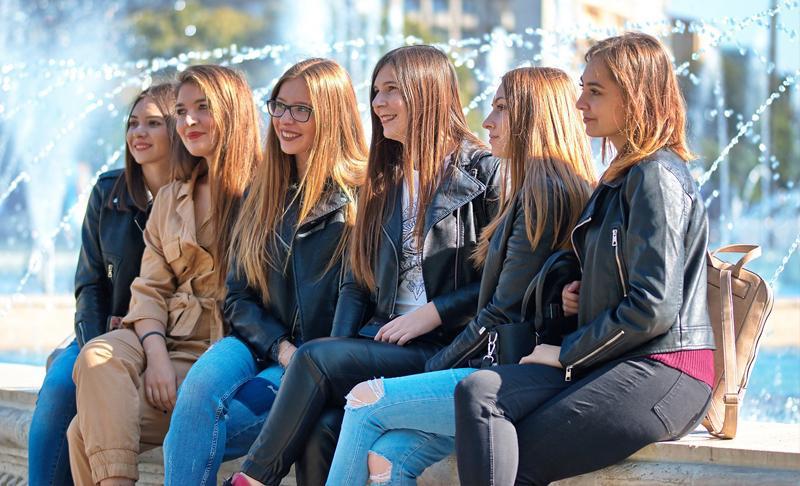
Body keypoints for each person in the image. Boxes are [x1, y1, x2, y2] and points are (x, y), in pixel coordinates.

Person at [225, 44, 502, 486]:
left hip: (454, 346)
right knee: (318, 425)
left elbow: (500, 286)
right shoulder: (386, 178)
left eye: (391, 90)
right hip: (388, 342)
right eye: (375, 91)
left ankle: (252, 479)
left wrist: (435, 313)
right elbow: (357, 285)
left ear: (426, 92)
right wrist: (338, 354)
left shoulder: (484, 173)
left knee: (314, 359)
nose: (377, 104)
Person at [453, 32, 715, 486]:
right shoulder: (619, 178)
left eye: (595, 92)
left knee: (521, 453)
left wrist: (567, 351)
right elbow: (625, 278)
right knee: (477, 391)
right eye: (582, 88)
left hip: (666, 368)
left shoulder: (655, 176)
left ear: (635, 97)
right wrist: (581, 294)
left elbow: (653, 308)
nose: (580, 103)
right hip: (618, 361)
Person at [325, 66, 596, 485]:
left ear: (536, 117)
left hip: (511, 375)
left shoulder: (542, 193)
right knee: (387, 458)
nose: (487, 121)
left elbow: (500, 311)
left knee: (364, 402)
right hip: (512, 368)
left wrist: (431, 368)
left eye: (502, 108)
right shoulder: (543, 187)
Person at [162, 58, 367, 485]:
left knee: (224, 422)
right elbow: (237, 295)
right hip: (259, 341)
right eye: (278, 106)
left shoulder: (362, 196)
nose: (285, 121)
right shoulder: (263, 189)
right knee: (196, 396)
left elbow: (365, 299)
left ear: (331, 114)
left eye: (301, 110)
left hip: (314, 359)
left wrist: (303, 357)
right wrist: (278, 346)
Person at [66, 64, 260, 486]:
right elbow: (149, 288)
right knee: (96, 354)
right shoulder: (172, 197)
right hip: (157, 338)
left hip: (216, 347)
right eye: (181, 110)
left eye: (202, 108)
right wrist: (155, 358)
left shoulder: (263, 193)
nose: (187, 121)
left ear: (233, 112)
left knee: (81, 432)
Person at [27, 83, 176, 486]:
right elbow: (89, 285)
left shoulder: (197, 198)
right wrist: (89, 341)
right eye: (132, 124)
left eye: (153, 123)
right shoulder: (108, 192)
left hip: (169, 338)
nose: (138, 133)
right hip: (105, 332)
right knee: (60, 389)